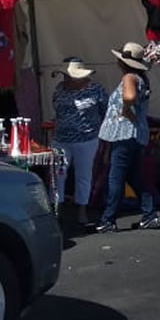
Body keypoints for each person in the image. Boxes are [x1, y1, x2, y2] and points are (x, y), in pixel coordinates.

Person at [96, 42, 160, 232]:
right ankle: (149, 214)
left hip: (124, 133)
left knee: (115, 177)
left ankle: (108, 219)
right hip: (135, 133)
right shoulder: (141, 78)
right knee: (134, 177)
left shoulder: (129, 77)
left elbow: (129, 97)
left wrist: (125, 110)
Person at [51, 58, 106, 224]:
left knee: (84, 175)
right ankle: (56, 209)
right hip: (61, 139)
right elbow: (55, 106)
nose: (66, 80)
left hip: (86, 139)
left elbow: (105, 111)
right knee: (58, 174)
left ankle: (82, 209)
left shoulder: (96, 90)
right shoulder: (60, 89)